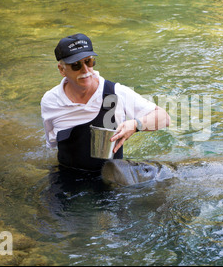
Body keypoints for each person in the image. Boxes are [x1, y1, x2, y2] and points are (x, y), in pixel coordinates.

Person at [41, 33, 170, 172]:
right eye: (76, 65)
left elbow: (164, 117)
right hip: (66, 175)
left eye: (88, 62)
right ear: (62, 69)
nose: (85, 70)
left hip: (111, 178)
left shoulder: (116, 93)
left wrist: (135, 125)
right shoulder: (50, 101)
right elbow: (52, 144)